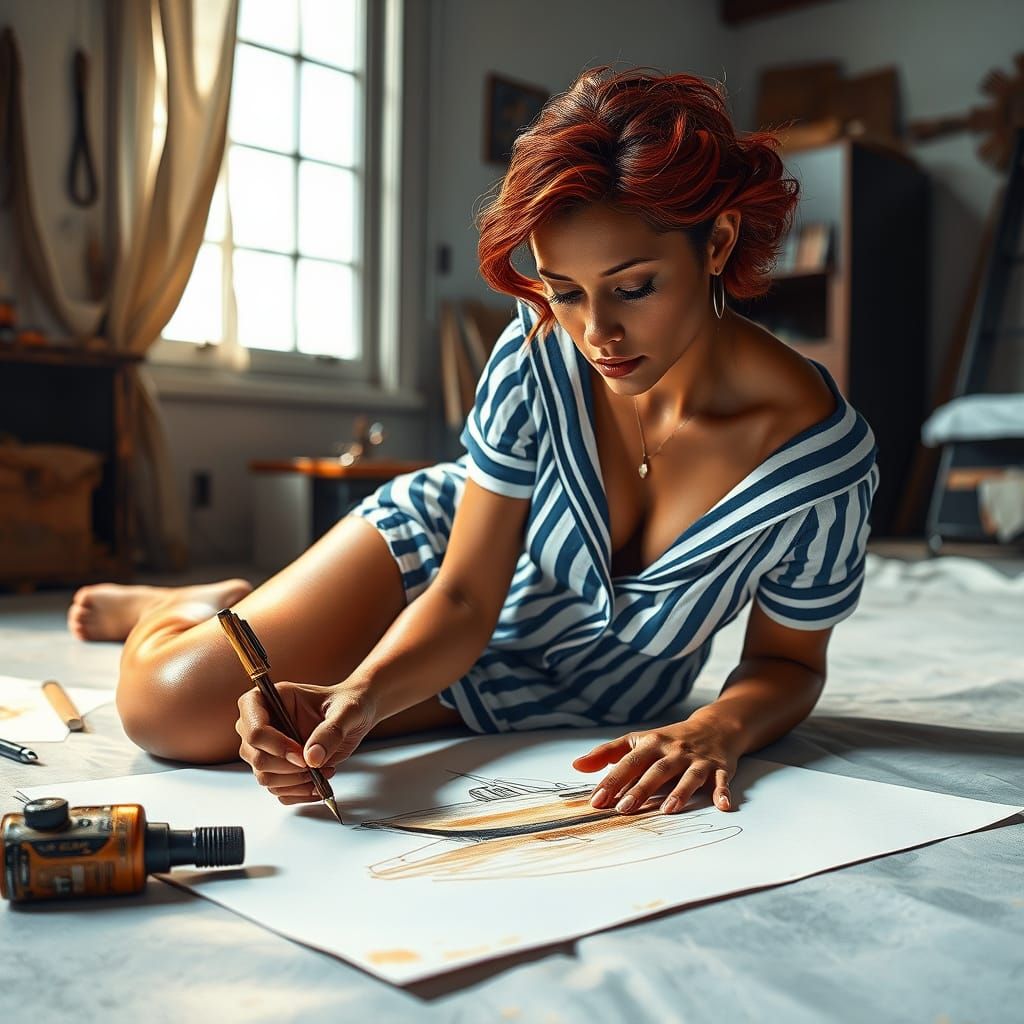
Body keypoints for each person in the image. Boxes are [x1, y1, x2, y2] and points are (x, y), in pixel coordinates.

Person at [68, 66, 878, 819]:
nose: (596, 332)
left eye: (634, 287)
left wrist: (719, 727)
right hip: (449, 555)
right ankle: (187, 604)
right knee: (171, 713)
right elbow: (463, 598)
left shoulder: (819, 465)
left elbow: (790, 666)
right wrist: (367, 688)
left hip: (588, 686)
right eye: (564, 291)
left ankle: (253, 613)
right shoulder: (538, 351)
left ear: (721, 242)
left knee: (299, 739)